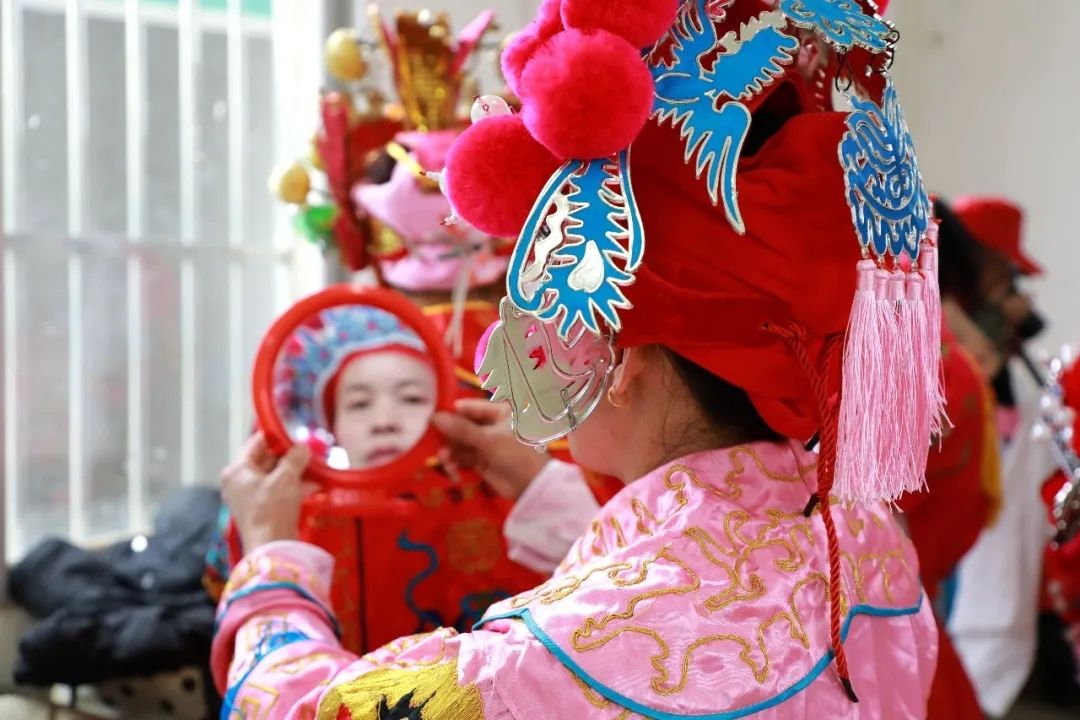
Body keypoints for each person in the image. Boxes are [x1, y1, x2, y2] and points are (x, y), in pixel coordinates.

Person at [211, 1, 939, 717]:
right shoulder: (866, 542)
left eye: (556, 316)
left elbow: (307, 710)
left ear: (620, 361)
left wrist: (270, 559)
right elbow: (696, 580)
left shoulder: (532, 672)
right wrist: (541, 491)